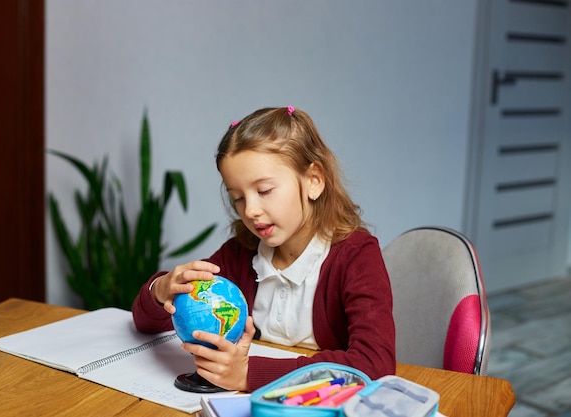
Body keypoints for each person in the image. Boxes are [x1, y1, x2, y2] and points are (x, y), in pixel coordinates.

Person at [132, 106, 395, 392]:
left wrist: (249, 374)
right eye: (238, 198)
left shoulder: (357, 255)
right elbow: (145, 323)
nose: (251, 211)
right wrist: (160, 290)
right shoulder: (239, 254)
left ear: (314, 181)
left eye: (265, 190)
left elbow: (375, 364)